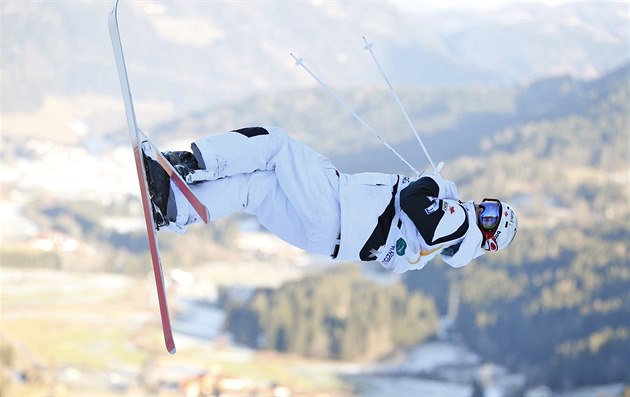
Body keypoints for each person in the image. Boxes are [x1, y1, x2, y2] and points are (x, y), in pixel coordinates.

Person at [144, 126, 517, 274]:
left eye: (490, 217)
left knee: (275, 144)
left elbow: (414, 201)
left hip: (337, 209)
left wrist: (431, 184)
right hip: (328, 238)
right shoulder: (446, 244)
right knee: (253, 191)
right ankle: (174, 206)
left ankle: (189, 165)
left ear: (488, 239)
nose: (482, 210)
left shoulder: (459, 225)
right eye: (489, 205)